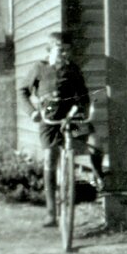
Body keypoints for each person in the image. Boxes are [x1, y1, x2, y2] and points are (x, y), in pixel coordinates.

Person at [17, 31, 104, 228]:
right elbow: (22, 92)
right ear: (49, 51)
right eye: (60, 50)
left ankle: (98, 176)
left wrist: (82, 109)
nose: (64, 54)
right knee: (50, 159)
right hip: (48, 120)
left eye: (67, 51)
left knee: (95, 142)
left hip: (71, 118)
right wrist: (32, 112)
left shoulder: (73, 69)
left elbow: (83, 96)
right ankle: (51, 213)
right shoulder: (39, 68)